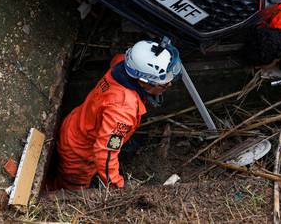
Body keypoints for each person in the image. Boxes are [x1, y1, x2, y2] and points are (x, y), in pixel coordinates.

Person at [50, 39, 182, 190]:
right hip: (80, 155)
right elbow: (105, 152)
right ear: (143, 82)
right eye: (164, 83)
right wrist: (116, 185)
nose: (169, 85)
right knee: (71, 190)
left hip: (77, 124)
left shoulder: (122, 65)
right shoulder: (122, 110)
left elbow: (117, 57)